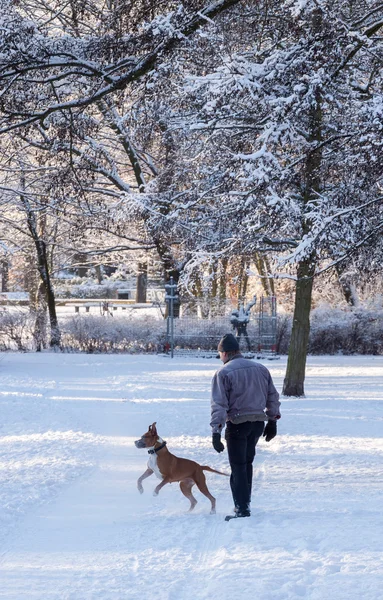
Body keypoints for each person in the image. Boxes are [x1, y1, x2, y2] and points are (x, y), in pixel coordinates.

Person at [210, 333, 280, 521]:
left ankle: (242, 509)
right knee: (247, 464)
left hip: (237, 425)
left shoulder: (223, 373)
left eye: (220, 354)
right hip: (257, 424)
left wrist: (216, 431)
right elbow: (272, 396)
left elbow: (219, 404)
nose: (220, 358)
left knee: (238, 466)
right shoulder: (261, 369)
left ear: (224, 353)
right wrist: (272, 421)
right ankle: (244, 503)